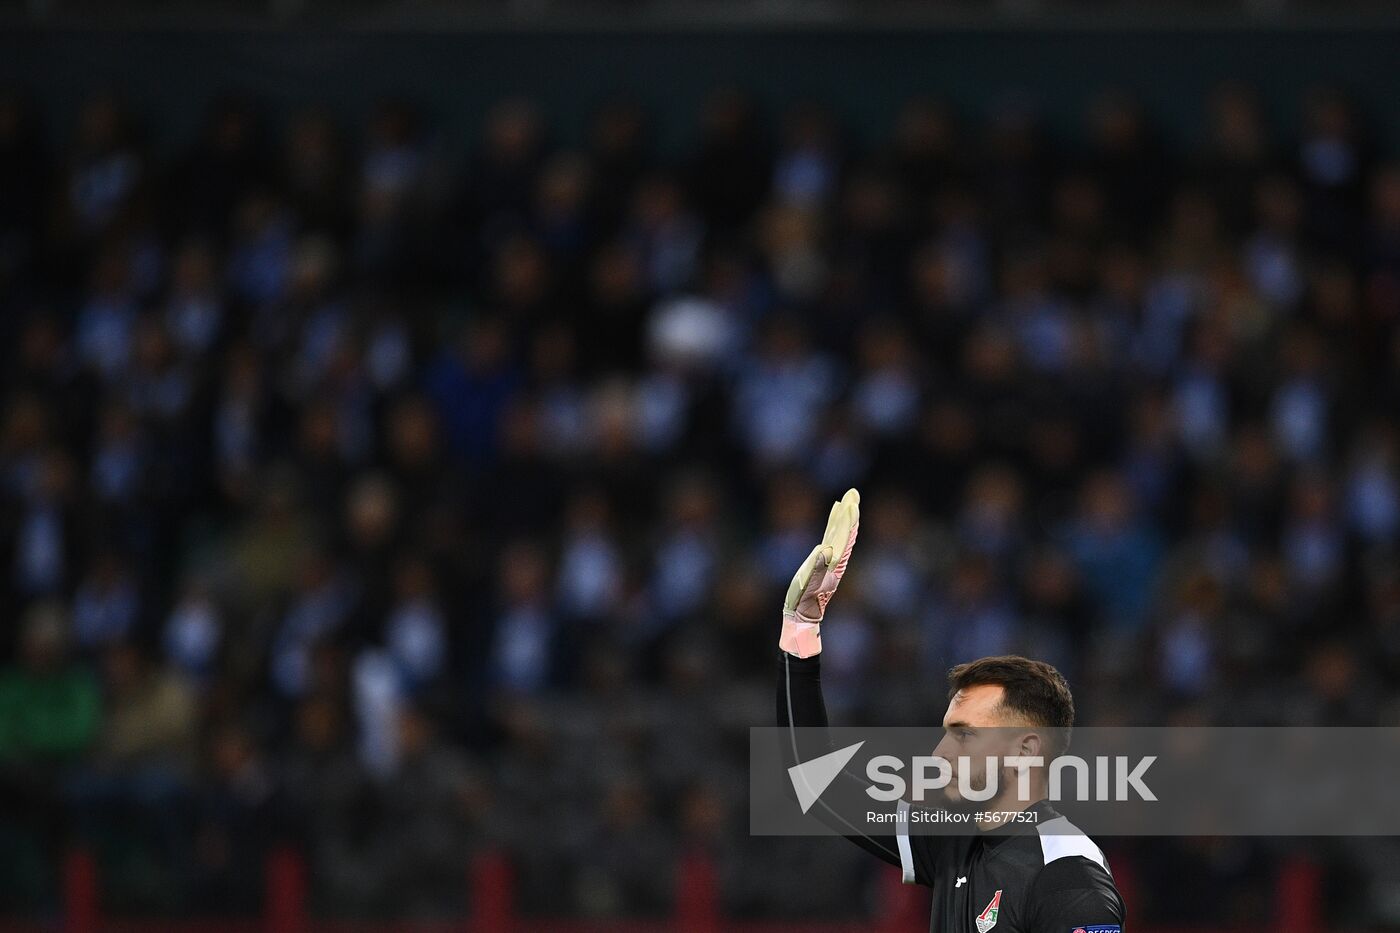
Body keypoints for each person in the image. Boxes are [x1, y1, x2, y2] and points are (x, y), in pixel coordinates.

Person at [777, 489, 1125, 932]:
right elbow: (812, 782)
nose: (940, 754)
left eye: (964, 734)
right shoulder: (951, 838)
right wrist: (802, 628)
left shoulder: (1069, 879)